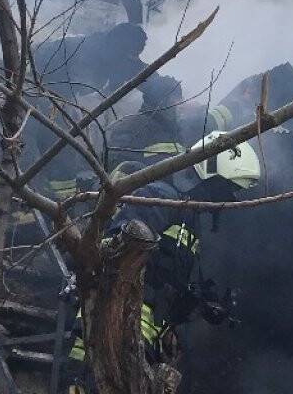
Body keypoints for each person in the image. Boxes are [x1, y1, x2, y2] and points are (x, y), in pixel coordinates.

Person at [64, 131, 260, 392]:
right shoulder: (159, 196)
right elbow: (115, 247)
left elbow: (164, 279)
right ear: (212, 172)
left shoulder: (188, 218)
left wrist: (200, 303)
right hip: (110, 321)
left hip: (139, 336)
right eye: (230, 188)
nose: (230, 198)